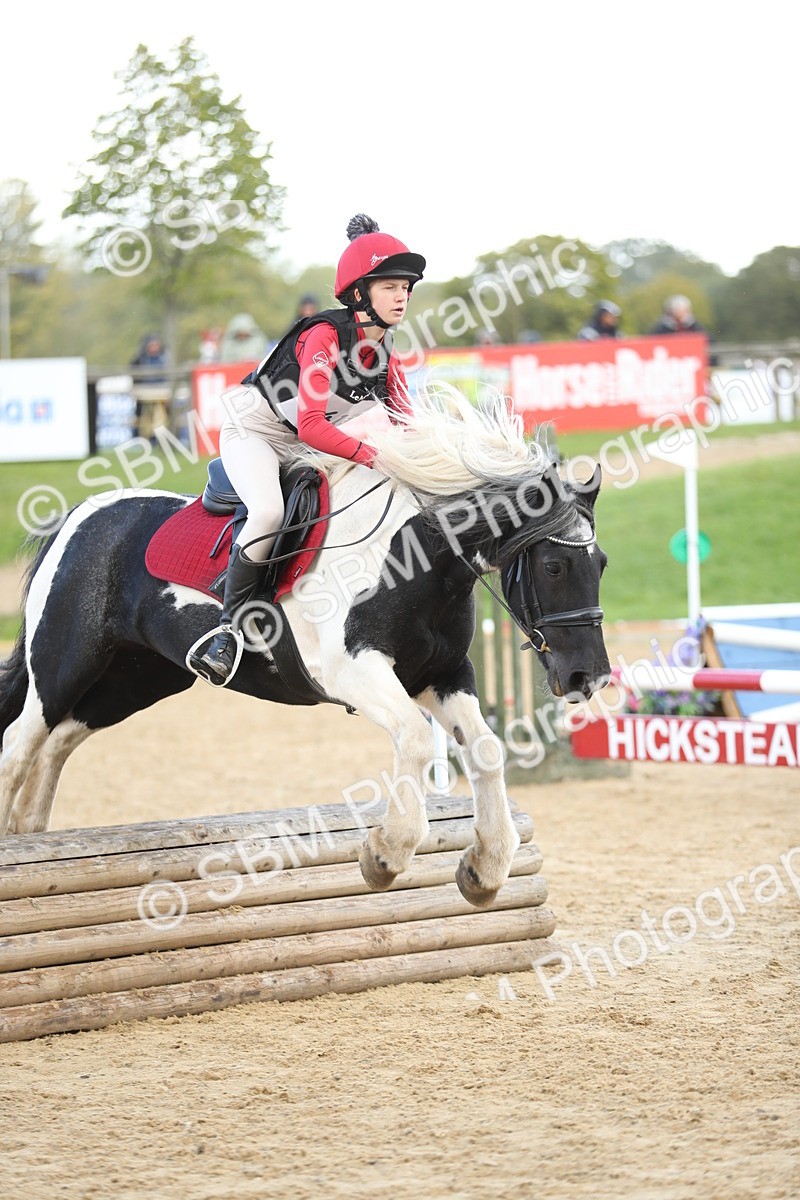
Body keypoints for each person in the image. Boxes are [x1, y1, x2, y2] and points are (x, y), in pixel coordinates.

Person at [188, 213, 426, 685]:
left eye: (407, 287)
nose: (403, 296)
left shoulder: (386, 355)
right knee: (269, 514)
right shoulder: (322, 336)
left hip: (300, 445)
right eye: (391, 286)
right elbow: (313, 426)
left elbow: (410, 427)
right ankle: (227, 631)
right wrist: (374, 455)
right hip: (254, 432)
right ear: (359, 293)